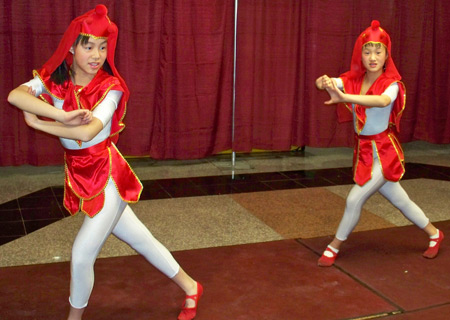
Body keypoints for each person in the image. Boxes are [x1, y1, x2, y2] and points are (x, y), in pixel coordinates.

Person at [7, 5, 202, 319]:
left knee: (82, 253)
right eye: (88, 46)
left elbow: (88, 131)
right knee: (143, 240)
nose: (96, 54)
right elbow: (15, 96)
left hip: (107, 175)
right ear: (72, 46)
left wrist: (39, 123)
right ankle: (191, 286)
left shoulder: (110, 87)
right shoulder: (55, 78)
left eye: (102, 46)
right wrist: (61, 114)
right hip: (80, 174)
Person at [314, 20, 444, 267]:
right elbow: (326, 83)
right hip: (364, 151)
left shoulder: (392, 84)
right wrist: (324, 82)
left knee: (354, 199)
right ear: (360, 53)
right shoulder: (353, 79)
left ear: (387, 55)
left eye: (378, 51)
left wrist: (343, 97)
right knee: (400, 200)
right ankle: (435, 234)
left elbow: (382, 101)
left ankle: (334, 247)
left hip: (384, 152)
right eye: (367, 51)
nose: (372, 57)